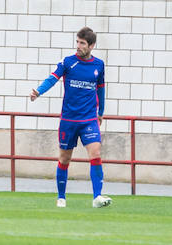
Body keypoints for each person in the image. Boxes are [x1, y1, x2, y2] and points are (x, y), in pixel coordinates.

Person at [30, 27, 111, 209]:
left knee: (95, 153)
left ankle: (97, 196)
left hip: (89, 119)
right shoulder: (68, 62)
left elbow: (101, 89)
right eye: (77, 42)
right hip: (69, 120)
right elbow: (53, 78)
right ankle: (61, 197)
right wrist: (38, 91)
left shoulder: (99, 65)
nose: (78, 46)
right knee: (65, 159)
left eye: (82, 43)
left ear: (91, 45)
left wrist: (100, 113)